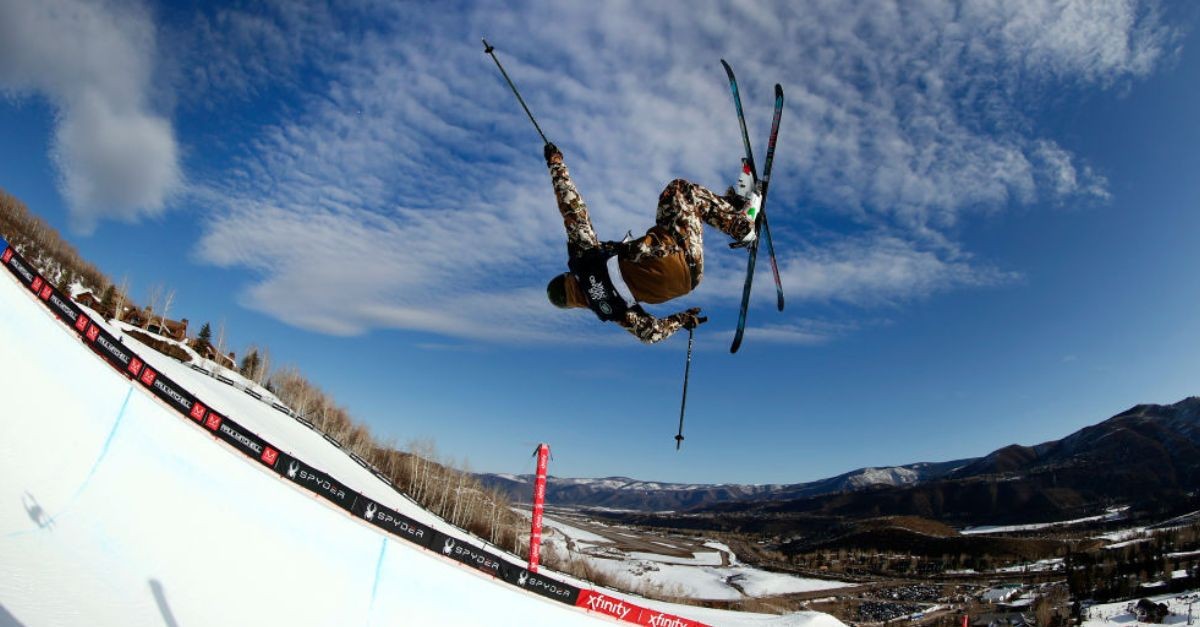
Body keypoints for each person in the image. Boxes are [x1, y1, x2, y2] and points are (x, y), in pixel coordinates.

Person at [544, 142, 761, 343]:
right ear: (566, 277)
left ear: (572, 304)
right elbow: (571, 207)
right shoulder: (583, 261)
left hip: (691, 277)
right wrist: (556, 164)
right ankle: (741, 226)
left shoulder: (609, 310)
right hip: (668, 253)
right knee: (677, 192)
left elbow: (651, 334)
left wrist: (681, 320)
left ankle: (734, 208)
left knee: (687, 210)